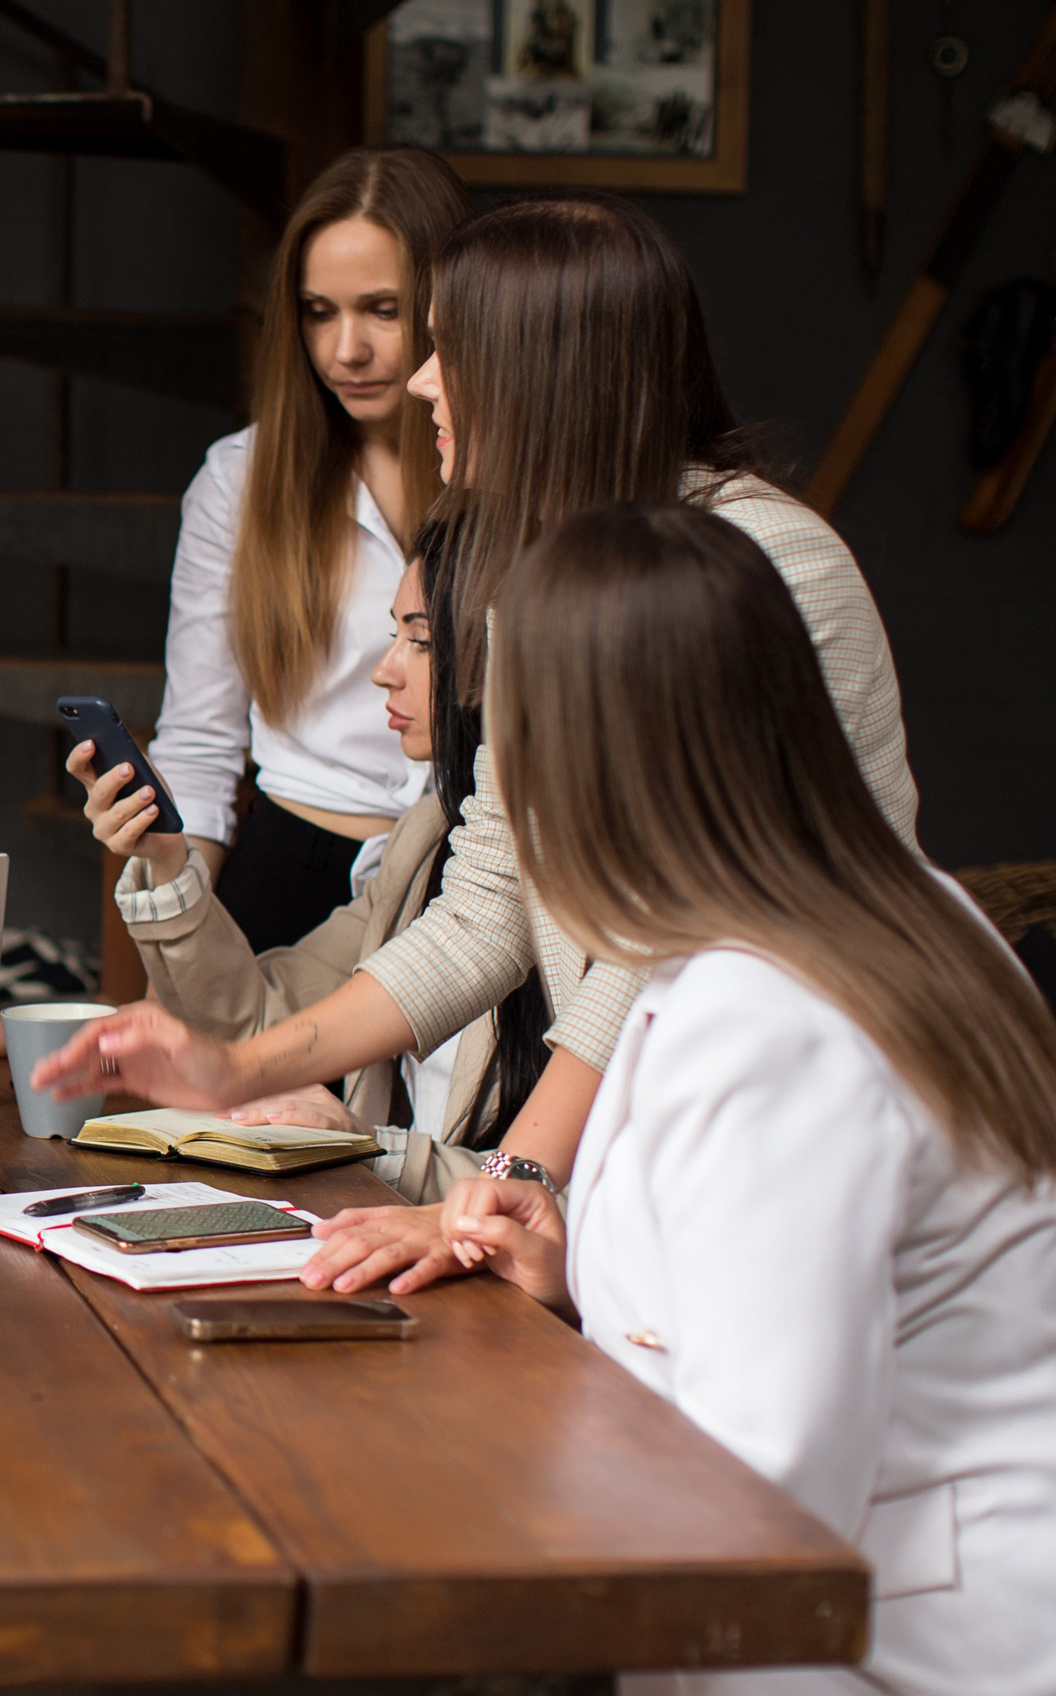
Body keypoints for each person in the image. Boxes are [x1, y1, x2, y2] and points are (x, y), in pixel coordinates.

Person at [34, 193, 920, 1285]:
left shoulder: (769, 566)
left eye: (448, 347)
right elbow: (488, 901)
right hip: (658, 1119)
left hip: (787, 1114)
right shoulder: (530, 577)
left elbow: (670, 940)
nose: (416, 380)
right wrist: (235, 1067)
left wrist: (518, 1183)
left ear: (544, 374)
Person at [441, 505, 1056, 1696]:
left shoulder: (772, 1013)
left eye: (508, 731)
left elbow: (758, 1506)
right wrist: (584, 1276)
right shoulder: (891, 918)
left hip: (900, 1654)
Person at [75, 513, 545, 1208]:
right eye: (394, 634)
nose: (384, 671)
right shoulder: (423, 842)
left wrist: (372, 1149)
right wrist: (168, 858)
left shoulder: (577, 887)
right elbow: (260, 1023)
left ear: (506, 651)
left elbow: (551, 1191)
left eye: (419, 640)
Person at [131, 147, 470, 952]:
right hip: (294, 866)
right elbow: (203, 743)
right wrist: (180, 951)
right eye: (320, 311)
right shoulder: (241, 480)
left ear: (453, 303)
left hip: (473, 871)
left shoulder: (504, 473)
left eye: (383, 310)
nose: (344, 350)